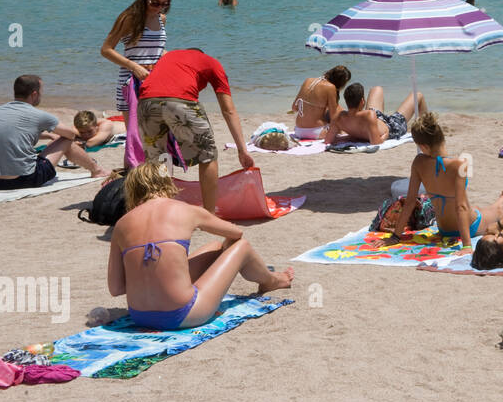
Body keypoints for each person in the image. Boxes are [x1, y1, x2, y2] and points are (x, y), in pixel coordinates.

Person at [107, 162, 293, 331]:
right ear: (167, 183)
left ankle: (175, 289)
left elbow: (116, 288)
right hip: (182, 314)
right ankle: (271, 281)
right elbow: (236, 233)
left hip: (139, 316)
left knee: (214, 247)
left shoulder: (122, 224)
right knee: (241, 246)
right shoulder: (185, 209)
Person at [137, 48, 254, 213]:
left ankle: (162, 210)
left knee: (158, 159)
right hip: (181, 101)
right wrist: (242, 150)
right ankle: (209, 213)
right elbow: (229, 110)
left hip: (146, 102)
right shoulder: (213, 63)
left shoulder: (170, 56)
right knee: (207, 156)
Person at [391, 112, 503, 247]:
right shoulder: (459, 164)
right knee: (499, 213)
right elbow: (461, 206)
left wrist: (395, 236)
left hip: (444, 230)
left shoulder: (418, 162)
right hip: (468, 227)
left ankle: (499, 202)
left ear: (423, 146)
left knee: (479, 209)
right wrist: (466, 245)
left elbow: (410, 202)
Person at [0, 76, 113, 189]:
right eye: (41, 92)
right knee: (66, 140)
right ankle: (97, 170)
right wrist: (58, 136)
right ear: (34, 94)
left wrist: (49, 135)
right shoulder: (40, 115)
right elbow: (71, 135)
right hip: (22, 179)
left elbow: (15, 133)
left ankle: (96, 169)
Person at [100, 0, 170, 117]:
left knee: (158, 135)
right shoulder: (129, 18)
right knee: (135, 134)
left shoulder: (161, 19)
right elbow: (106, 50)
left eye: (164, 4)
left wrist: (170, 57)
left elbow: (154, 49)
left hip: (156, 81)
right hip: (131, 82)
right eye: (155, 3)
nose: (159, 8)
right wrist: (134, 66)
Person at [323, 82, 428, 146]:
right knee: (418, 95)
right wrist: (386, 134)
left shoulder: (338, 117)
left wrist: (350, 137)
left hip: (374, 120)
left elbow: (328, 140)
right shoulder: (369, 115)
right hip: (392, 127)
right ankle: (428, 129)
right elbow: (376, 142)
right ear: (362, 102)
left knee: (376, 89)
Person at [290, 66, 351, 139]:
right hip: (316, 132)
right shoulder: (331, 88)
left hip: (298, 131)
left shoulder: (308, 80)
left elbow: (294, 108)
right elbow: (334, 117)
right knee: (340, 116)